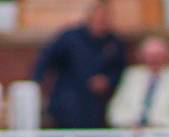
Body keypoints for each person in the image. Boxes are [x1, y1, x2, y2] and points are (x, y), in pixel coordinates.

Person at [32, 0, 125, 128]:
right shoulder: (69, 37)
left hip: (96, 107)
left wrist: (107, 80)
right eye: (98, 17)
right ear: (89, 17)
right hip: (67, 101)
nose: (101, 21)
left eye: (105, 18)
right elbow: (45, 60)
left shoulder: (113, 42)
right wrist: (37, 85)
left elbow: (119, 70)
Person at [107, 36, 169, 128]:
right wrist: (130, 123)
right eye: (149, 55)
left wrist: (156, 124)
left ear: (167, 56)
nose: (153, 59)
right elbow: (115, 110)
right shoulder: (131, 75)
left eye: (158, 55)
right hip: (131, 134)